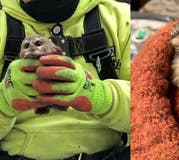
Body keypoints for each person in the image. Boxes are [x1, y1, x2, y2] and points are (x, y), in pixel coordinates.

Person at [0, 0, 130, 159]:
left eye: (38, 44)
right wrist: (3, 102)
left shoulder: (121, 18)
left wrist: (100, 96)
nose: (33, 49)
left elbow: (149, 109)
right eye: (28, 46)